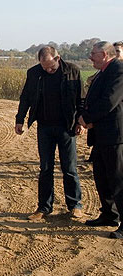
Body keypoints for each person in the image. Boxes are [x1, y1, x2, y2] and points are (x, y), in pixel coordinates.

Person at [15, 46, 84, 221]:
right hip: (44, 127)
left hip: (66, 127)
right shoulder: (34, 73)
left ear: (58, 58)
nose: (48, 70)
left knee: (69, 168)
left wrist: (81, 121)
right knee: (45, 168)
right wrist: (20, 119)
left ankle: (75, 205)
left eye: (51, 67)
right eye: (44, 67)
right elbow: (26, 97)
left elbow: (81, 99)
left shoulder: (72, 71)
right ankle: (44, 207)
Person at [78, 41, 123, 237]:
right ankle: (108, 215)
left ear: (104, 54)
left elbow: (109, 101)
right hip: (101, 135)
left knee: (118, 180)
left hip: (115, 135)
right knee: (102, 177)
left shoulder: (118, 70)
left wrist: (87, 118)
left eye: (93, 54)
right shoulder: (103, 72)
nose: (90, 57)